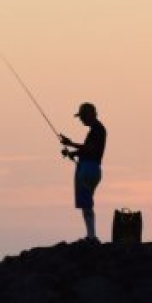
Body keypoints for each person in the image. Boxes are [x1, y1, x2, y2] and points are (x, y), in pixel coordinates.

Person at [60, 102, 107, 244]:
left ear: (89, 115)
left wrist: (71, 144)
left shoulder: (98, 129)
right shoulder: (96, 130)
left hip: (88, 168)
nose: (81, 120)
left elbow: (90, 149)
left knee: (86, 204)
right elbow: (89, 149)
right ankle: (91, 235)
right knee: (87, 204)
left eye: (82, 116)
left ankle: (92, 237)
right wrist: (73, 153)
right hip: (92, 168)